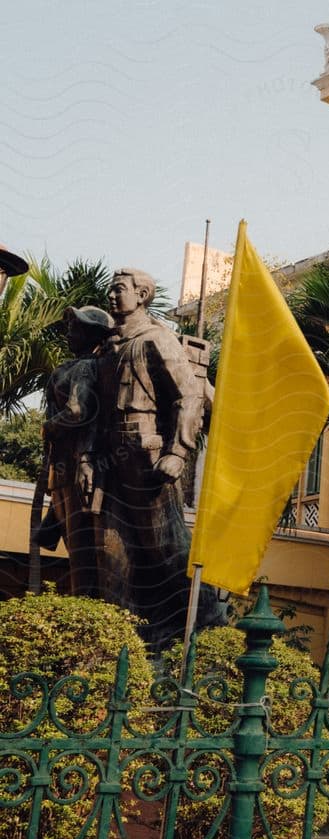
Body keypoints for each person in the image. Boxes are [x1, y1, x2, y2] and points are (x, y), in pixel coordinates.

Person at [93, 268, 211, 647]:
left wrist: (178, 451)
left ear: (142, 295)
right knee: (112, 551)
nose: (112, 295)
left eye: (120, 289)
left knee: (166, 547)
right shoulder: (107, 348)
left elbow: (189, 396)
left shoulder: (155, 339)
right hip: (109, 459)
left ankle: (208, 627)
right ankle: (123, 643)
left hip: (147, 457)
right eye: (110, 289)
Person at [37, 304, 114, 596]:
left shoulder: (85, 367)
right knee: (76, 547)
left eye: (76, 327)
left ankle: (88, 605)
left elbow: (77, 411)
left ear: (92, 334)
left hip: (76, 464)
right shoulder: (74, 367)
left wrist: (49, 427)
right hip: (63, 465)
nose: (70, 332)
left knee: (81, 552)